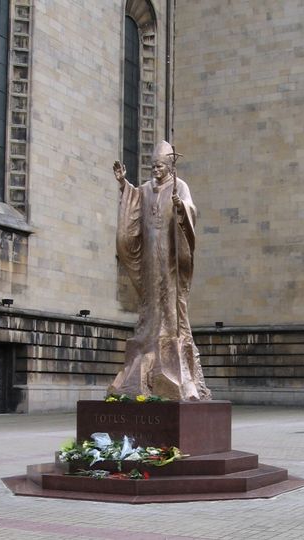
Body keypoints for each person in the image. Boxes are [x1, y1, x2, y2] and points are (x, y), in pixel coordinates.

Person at [108, 141, 211, 401]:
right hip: (150, 252)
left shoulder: (180, 186)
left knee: (170, 294)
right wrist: (123, 185)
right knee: (150, 295)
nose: (156, 169)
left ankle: (172, 338)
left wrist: (180, 207)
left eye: (160, 165)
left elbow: (190, 210)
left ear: (170, 166)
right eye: (153, 165)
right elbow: (134, 202)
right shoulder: (145, 189)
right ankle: (149, 336)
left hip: (169, 251)